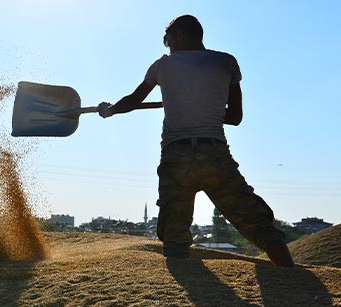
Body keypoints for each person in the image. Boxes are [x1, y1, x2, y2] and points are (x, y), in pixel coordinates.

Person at [97, 15, 295, 267]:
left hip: (176, 158)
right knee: (256, 222)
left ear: (179, 35)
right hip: (214, 156)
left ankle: (187, 291)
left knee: (174, 234)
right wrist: (205, 107)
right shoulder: (226, 62)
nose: (167, 45)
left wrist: (110, 109)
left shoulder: (163, 66)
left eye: (167, 40)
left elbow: (134, 101)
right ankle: (291, 277)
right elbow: (235, 117)